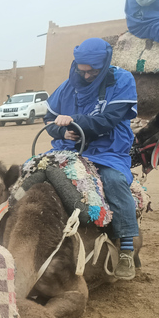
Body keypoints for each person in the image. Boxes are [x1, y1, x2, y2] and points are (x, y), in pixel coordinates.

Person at [44, 38, 139, 280]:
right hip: (70, 150)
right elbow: (49, 121)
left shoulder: (122, 80)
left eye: (92, 72)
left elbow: (110, 119)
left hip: (108, 151)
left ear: (105, 64)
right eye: (82, 70)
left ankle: (126, 248)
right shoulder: (66, 88)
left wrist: (75, 121)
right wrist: (63, 131)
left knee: (115, 181)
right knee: (35, 176)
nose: (86, 76)